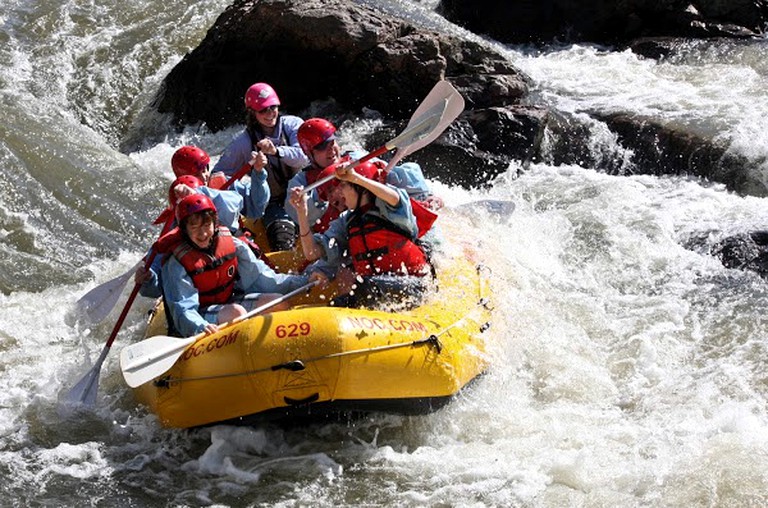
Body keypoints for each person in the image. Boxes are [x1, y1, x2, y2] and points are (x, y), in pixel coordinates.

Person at [156, 194, 326, 336]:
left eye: (207, 224)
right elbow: (183, 309)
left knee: (278, 302)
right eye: (194, 227)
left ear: (215, 223)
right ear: (184, 230)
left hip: (229, 301)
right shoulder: (177, 263)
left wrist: (304, 282)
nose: (203, 233)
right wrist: (199, 326)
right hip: (199, 315)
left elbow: (265, 278)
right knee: (236, 313)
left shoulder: (233, 244)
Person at [289, 162, 434, 309]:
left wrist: (356, 178)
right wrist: (302, 214)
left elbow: (394, 198)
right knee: (339, 302)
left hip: (415, 285)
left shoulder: (390, 209)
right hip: (376, 286)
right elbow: (311, 253)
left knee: (366, 286)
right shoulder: (347, 221)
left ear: (362, 189)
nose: (340, 191)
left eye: (344, 185)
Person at [285, 118, 443, 236]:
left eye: (332, 142)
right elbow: (301, 217)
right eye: (321, 147)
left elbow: (397, 177)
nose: (331, 149)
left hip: (377, 229)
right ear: (309, 153)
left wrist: (427, 196)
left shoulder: (358, 159)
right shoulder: (301, 182)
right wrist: (320, 198)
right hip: (337, 240)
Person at [212, 82, 309, 250]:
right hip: (275, 203)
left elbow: (303, 157)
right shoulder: (244, 142)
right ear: (252, 113)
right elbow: (218, 176)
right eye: (263, 110)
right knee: (282, 241)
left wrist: (276, 151)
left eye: (273, 107)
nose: (270, 113)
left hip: (307, 193)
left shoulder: (293, 125)